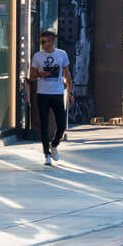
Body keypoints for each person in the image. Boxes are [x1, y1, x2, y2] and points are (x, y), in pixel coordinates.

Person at [30, 30, 74, 166]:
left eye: (45, 42)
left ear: (51, 41)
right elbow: (31, 76)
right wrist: (39, 74)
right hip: (42, 94)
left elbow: (67, 73)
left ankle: (54, 144)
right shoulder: (37, 56)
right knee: (44, 124)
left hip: (57, 93)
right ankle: (46, 154)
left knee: (61, 124)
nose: (42, 44)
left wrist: (71, 92)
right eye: (41, 42)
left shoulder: (62, 54)